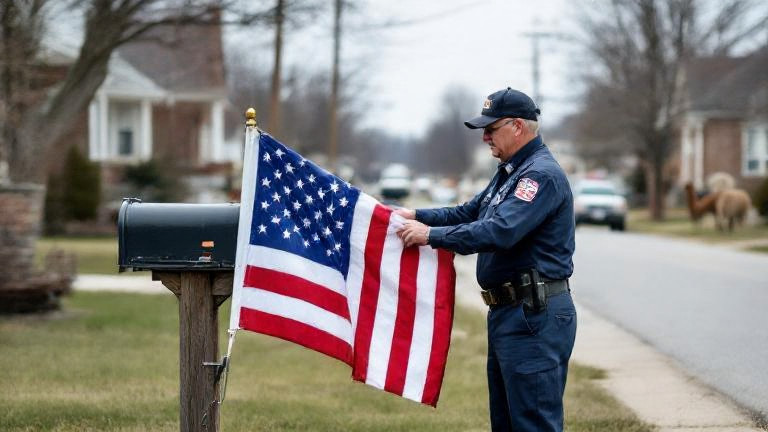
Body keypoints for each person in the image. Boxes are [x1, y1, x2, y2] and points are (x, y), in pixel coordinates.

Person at [395, 88, 577, 431]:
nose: (484, 137)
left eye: (491, 129)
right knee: (507, 422)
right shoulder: (512, 171)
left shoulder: (538, 176)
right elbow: (470, 212)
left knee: (532, 423)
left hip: (533, 316)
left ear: (517, 126)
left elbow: (498, 231)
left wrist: (429, 236)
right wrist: (414, 214)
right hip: (512, 313)